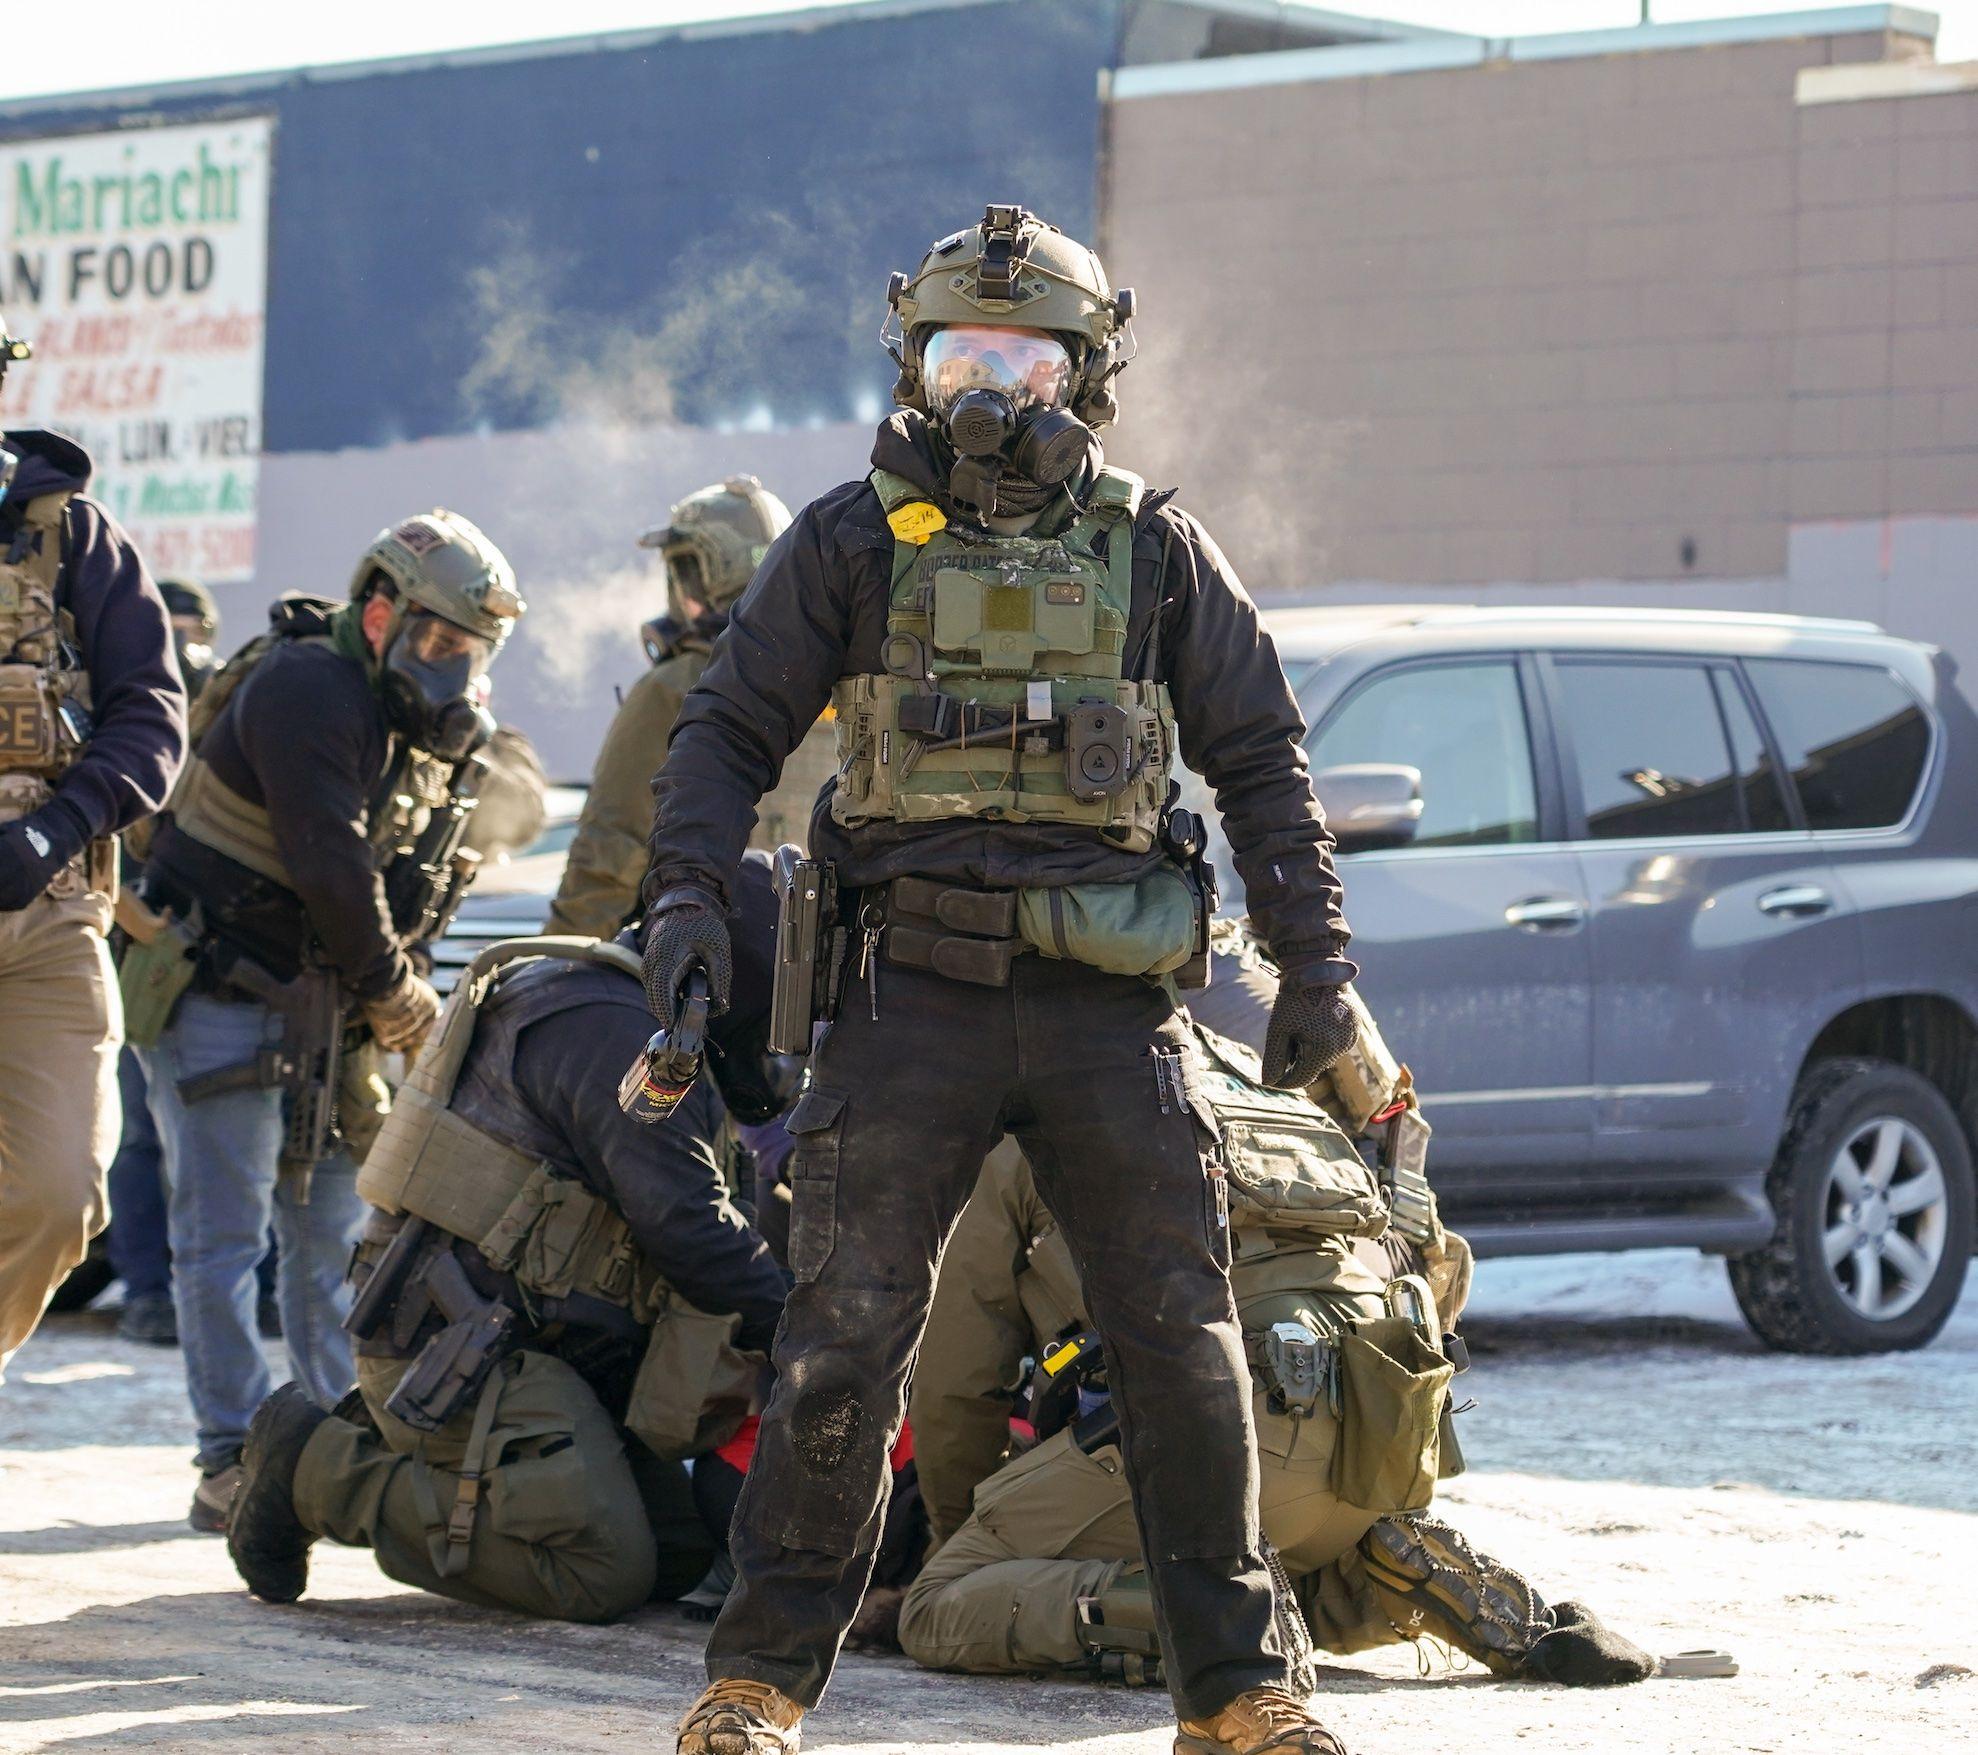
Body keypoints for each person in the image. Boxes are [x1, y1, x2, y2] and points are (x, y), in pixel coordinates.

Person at [643, 206, 1366, 1755]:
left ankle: (1234, 1690)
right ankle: (758, 1680)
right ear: (910, 366)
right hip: (907, 992)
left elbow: (1260, 756)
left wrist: (1315, 966)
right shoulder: (848, 541)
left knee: (1181, 1339)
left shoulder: (1155, 549)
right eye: (958, 359)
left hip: (1111, 1007)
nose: (985, 393)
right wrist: (686, 901)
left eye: (1021, 363)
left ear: (1083, 376)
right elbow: (724, 731)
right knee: (841, 1339)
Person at [897, 933, 1658, 1694]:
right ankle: (1380, 1573)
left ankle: (1214, 1623)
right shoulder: (1263, 1080)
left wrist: (962, 1535)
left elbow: (958, 1378)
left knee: (937, 1606)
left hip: (1226, 1432)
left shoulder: (1027, 1113)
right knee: (1285, 1559)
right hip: (1369, 1442)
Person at [223, 859, 790, 1622]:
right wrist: (810, 1330)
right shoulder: (619, 1035)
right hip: (462, 1351)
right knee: (601, 1568)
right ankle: (316, 1468)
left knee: (675, 1549)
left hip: (515, 1345)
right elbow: (691, 1229)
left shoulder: (596, 998)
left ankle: (405, 1459)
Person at [131, 511, 524, 1531]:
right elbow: (331, 864)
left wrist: (389, 988)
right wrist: (397, 992)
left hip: (328, 1012)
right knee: (222, 1240)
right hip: (221, 991)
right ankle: (230, 1457)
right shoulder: (308, 686)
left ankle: (331, 1454)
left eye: (470, 650)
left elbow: (405, 875)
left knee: (334, 1239)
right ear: (380, 614)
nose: (452, 667)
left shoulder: (411, 724)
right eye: (438, 640)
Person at [0, 312, 187, 1380]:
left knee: (61, 1196)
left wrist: (55, 827)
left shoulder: (74, 537)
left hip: (48, 913)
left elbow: (152, 718)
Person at [548, 477, 822, 941]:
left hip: (691, 953)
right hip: (804, 960)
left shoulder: (675, 686)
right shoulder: (826, 681)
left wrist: (556, 959)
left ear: (705, 575)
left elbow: (611, 849)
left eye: (683, 570)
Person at [108, 577, 228, 1348]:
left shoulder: (225, 712)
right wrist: (128, 909)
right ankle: (145, 1292)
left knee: (229, 1144)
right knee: (139, 1136)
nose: (185, 646)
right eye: (171, 628)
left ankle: (241, 1293)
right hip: (137, 956)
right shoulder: (129, 705)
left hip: (217, 954)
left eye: (195, 630)